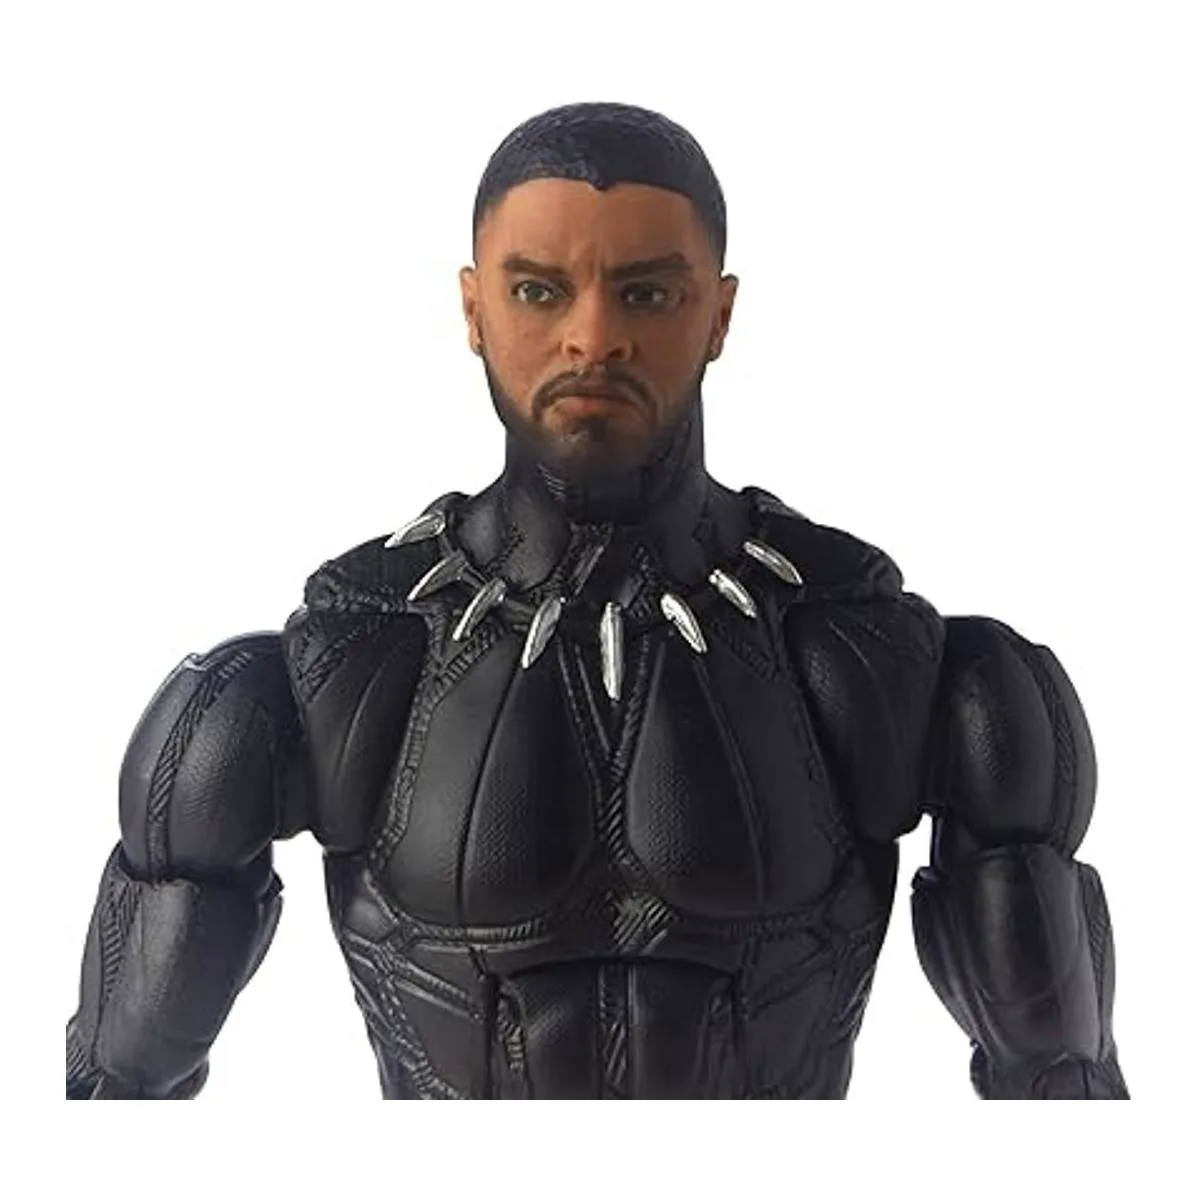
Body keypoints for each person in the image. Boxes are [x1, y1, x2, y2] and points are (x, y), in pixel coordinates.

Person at [65, 101, 1129, 1100]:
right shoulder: (346, 659)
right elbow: (112, 1098)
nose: (592, 339)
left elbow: (1062, 1086)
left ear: (719, 314)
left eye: (647, 294)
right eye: (539, 291)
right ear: (474, 310)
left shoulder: (865, 649)